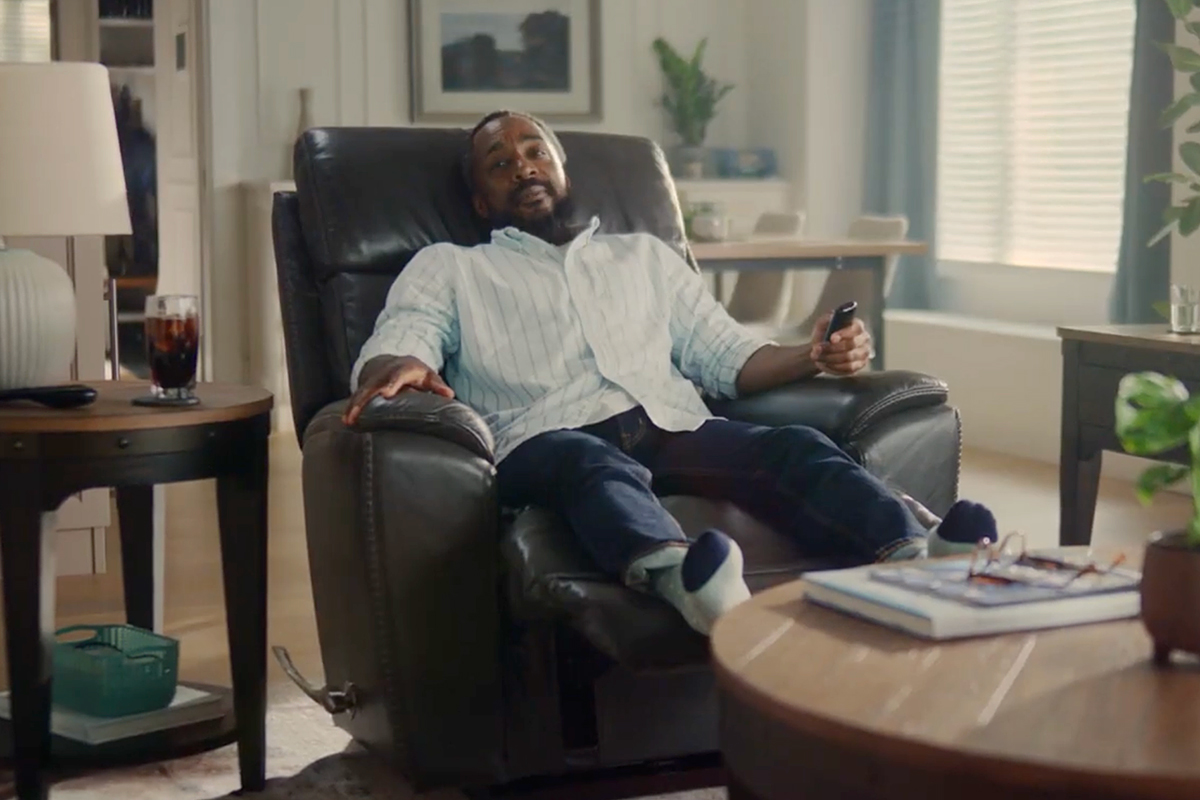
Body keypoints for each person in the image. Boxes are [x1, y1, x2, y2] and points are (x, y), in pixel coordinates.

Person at [344, 110, 998, 635]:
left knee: (793, 446)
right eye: (500, 163)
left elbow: (727, 355)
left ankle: (916, 553)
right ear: (482, 202)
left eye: (536, 150)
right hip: (544, 440)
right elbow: (405, 338)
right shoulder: (451, 267)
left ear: (563, 169)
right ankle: (685, 578)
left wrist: (813, 353)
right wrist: (400, 364)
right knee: (589, 464)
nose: (523, 166)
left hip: (668, 422)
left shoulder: (643, 257)